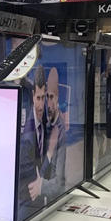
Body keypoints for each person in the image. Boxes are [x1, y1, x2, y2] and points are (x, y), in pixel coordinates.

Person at [28, 67, 66, 204]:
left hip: (55, 202)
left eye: (51, 97)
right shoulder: (42, 123)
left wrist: (41, 187)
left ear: (57, 95)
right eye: (45, 97)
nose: (47, 104)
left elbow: (60, 183)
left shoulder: (61, 131)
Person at [18, 65, 47, 207]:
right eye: (38, 98)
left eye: (43, 98)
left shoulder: (45, 121)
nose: (40, 105)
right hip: (27, 198)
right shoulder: (27, 137)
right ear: (32, 96)